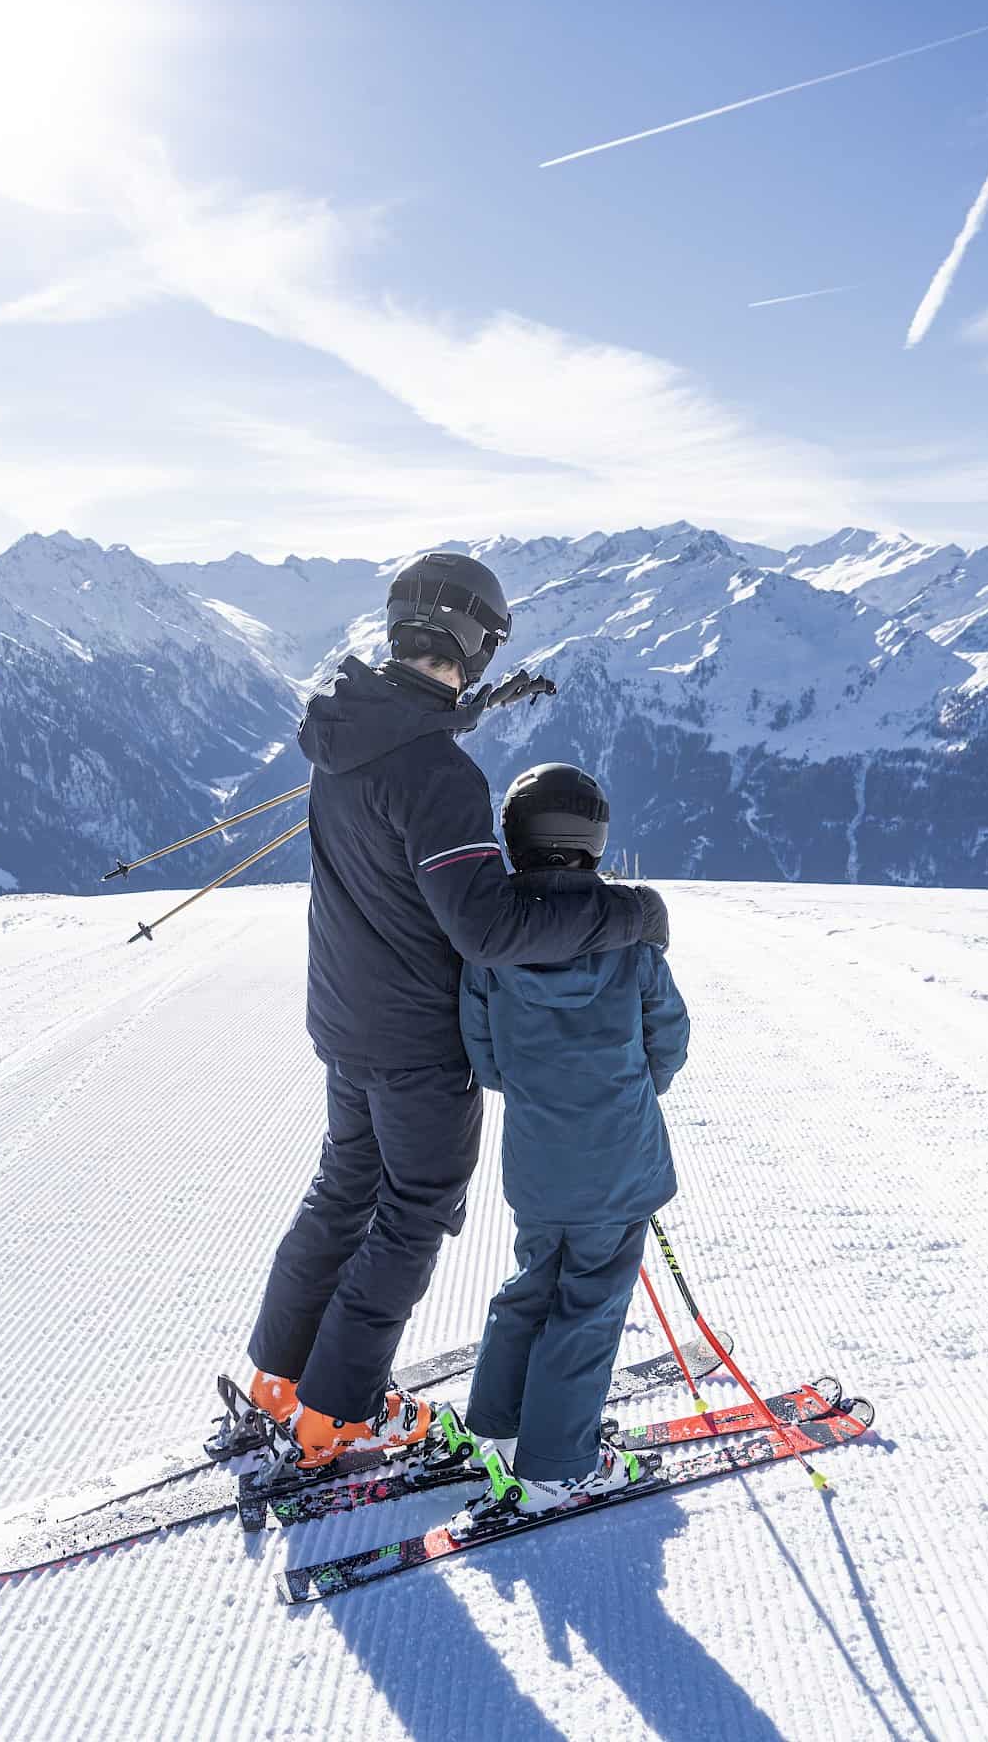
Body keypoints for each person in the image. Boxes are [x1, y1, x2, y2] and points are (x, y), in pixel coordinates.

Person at [247, 554, 671, 1469]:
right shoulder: (439, 776)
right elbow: (487, 927)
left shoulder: (349, 734)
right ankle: (342, 1413)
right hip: (412, 1038)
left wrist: (469, 715)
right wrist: (628, 912)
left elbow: (408, 753)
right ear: (476, 644)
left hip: (346, 1018)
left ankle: (280, 1380)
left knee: (344, 1190)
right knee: (412, 1210)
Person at [458, 761, 690, 1515]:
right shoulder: (630, 942)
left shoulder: (490, 949)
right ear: (595, 841)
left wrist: (543, 1090)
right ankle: (558, 1465)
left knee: (532, 1286)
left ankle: (497, 1426)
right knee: (588, 1306)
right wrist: (623, 1092)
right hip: (618, 1160)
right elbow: (669, 1039)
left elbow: (485, 1058)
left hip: (539, 1162)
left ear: (516, 841)